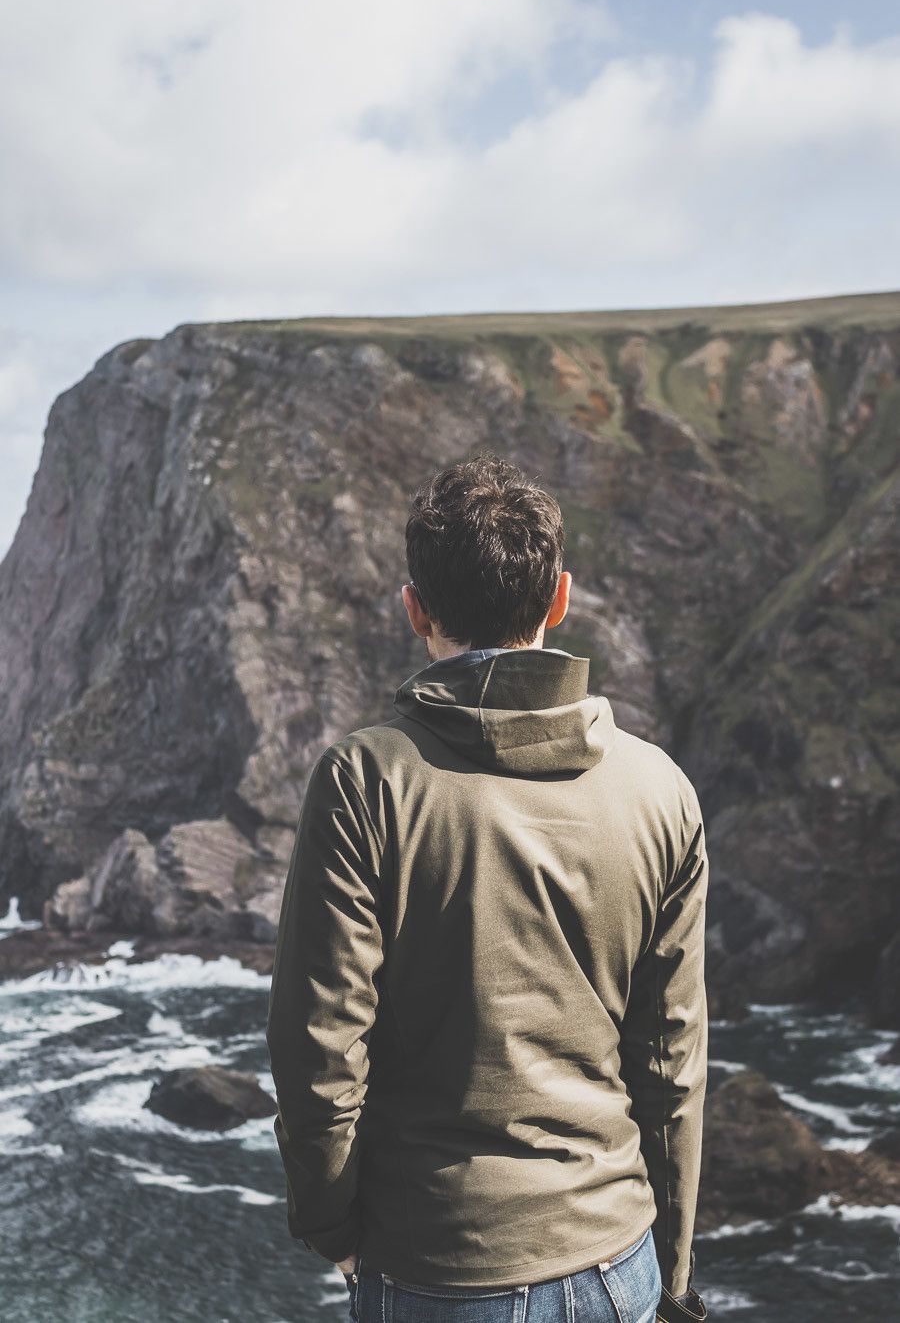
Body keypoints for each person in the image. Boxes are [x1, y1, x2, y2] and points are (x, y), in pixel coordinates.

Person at [266, 452, 709, 1322]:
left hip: (439, 1269)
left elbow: (319, 1047)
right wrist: (675, 1270)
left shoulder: (367, 780)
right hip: (622, 1265)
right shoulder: (662, 788)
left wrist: (331, 1227)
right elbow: (672, 1062)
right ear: (559, 599)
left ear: (415, 608)